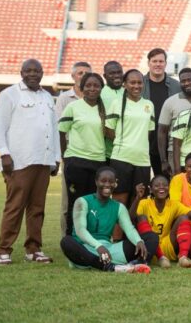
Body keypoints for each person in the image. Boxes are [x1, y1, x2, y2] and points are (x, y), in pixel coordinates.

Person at [0, 58, 60, 265]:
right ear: (21, 73)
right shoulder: (9, 94)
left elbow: (53, 129)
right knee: (15, 206)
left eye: (36, 71)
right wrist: (4, 153)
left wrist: (56, 158)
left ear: (42, 73)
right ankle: (3, 250)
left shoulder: (48, 97)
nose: (33, 74)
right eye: (28, 71)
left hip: (43, 160)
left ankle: (33, 249)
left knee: (37, 208)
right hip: (19, 160)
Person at [59, 166, 156, 273]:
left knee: (151, 237)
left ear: (116, 183)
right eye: (103, 181)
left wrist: (138, 241)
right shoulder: (82, 201)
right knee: (66, 242)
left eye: (111, 181)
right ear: (96, 182)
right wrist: (98, 246)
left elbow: (129, 229)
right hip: (86, 250)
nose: (107, 185)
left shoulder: (119, 207)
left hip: (109, 251)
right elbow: (80, 230)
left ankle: (135, 264)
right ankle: (110, 267)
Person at [104, 69, 155, 235]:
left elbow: (148, 131)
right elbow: (109, 130)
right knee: (120, 201)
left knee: (138, 201)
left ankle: (133, 241)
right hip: (121, 158)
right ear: (125, 84)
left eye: (139, 82)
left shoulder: (149, 105)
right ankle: (116, 240)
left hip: (142, 160)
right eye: (132, 82)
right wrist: (124, 143)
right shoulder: (117, 103)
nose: (136, 86)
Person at [59, 72, 107, 236]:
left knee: (95, 203)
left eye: (96, 85)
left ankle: (91, 238)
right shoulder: (73, 107)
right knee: (76, 203)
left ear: (101, 88)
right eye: (88, 85)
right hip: (76, 162)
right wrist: (65, 157)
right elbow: (61, 132)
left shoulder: (105, 108)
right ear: (82, 88)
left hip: (99, 163)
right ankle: (72, 238)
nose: (92, 88)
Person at [55, 61, 93, 236]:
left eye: (87, 72)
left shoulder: (96, 99)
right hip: (72, 156)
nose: (83, 75)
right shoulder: (64, 99)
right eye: (80, 72)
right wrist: (63, 157)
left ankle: (88, 236)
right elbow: (60, 129)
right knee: (68, 201)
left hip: (93, 156)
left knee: (90, 200)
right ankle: (67, 238)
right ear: (73, 76)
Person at [132, 175, 191, 268]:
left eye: (165, 185)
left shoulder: (174, 204)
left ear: (169, 188)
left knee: (184, 218)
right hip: (150, 247)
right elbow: (131, 217)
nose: (161, 187)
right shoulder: (144, 203)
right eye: (157, 185)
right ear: (151, 189)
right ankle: (160, 257)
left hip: (167, 244)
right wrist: (137, 197)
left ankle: (183, 257)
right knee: (141, 217)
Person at [141, 48, 181, 177]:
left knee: (168, 178)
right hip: (145, 138)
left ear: (165, 63)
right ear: (148, 63)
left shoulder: (176, 86)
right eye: (154, 61)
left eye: (161, 61)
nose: (158, 64)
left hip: (168, 139)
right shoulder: (139, 84)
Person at [157, 67, 191, 176]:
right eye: (183, 81)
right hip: (175, 153)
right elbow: (162, 132)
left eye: (190, 80)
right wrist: (163, 161)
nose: (187, 83)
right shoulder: (171, 102)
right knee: (178, 186)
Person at [100, 61, 124, 156]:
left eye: (119, 72)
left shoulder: (129, 93)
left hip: (126, 152)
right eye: (112, 73)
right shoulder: (99, 94)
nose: (117, 75)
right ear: (105, 76)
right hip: (105, 152)